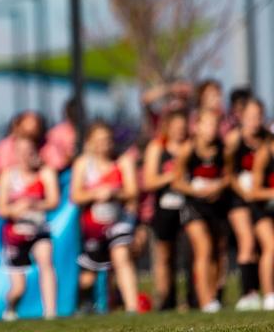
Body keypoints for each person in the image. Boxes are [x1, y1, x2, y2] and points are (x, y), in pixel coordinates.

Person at [71, 122, 139, 314]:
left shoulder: (123, 161)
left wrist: (114, 194)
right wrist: (94, 194)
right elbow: (76, 195)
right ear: (90, 143)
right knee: (88, 275)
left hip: (119, 221)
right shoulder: (83, 164)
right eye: (99, 140)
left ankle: (132, 308)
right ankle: (84, 305)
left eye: (107, 140)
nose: (104, 144)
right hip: (93, 226)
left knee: (121, 257)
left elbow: (133, 192)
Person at [0, 135, 59, 321]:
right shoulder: (8, 176)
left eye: (29, 151)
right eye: (21, 151)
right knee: (18, 288)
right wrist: (15, 209)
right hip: (15, 234)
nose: (25, 156)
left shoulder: (45, 173)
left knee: (46, 261)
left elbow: (53, 201)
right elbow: (1, 209)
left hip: (39, 230)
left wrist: (34, 204)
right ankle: (10, 307)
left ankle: (50, 312)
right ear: (14, 153)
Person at [175, 110, 228, 312]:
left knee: (216, 251)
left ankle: (213, 296)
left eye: (215, 125)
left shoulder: (222, 150)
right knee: (203, 248)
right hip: (193, 206)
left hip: (215, 206)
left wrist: (218, 187)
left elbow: (228, 176)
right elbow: (177, 181)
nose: (211, 130)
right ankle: (205, 300)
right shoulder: (188, 150)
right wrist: (197, 190)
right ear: (196, 127)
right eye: (207, 125)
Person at [141, 109, 188, 311]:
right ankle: (164, 301)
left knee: (186, 257)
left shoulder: (189, 147)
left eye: (182, 128)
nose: (179, 131)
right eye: (175, 128)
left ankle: (188, 300)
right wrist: (172, 177)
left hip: (187, 208)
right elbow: (149, 181)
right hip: (163, 210)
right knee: (163, 256)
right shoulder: (157, 148)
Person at [225, 96, 265, 310]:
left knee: (265, 245)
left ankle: (261, 291)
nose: (255, 121)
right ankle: (246, 293)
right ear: (242, 117)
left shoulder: (267, 139)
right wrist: (244, 191)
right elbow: (228, 172)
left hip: (259, 198)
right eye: (251, 116)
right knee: (247, 242)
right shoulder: (234, 139)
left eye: (258, 116)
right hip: (238, 198)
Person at [250, 100, 274, 310]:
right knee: (270, 247)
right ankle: (268, 296)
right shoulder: (265, 154)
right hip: (262, 209)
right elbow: (254, 191)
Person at [42, 98, 79, 171]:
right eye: (72, 111)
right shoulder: (57, 132)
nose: (75, 114)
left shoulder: (83, 130)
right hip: (60, 170)